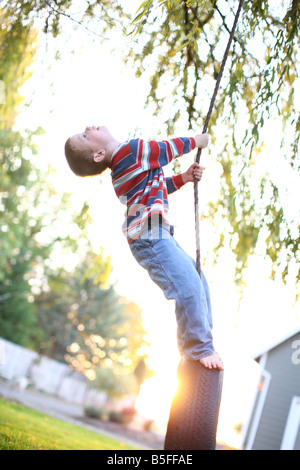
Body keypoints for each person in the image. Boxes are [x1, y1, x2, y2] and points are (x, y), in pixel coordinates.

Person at [64, 125, 224, 370]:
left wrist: (183, 178)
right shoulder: (132, 150)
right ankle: (199, 348)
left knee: (198, 281)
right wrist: (196, 141)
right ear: (97, 155)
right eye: (85, 136)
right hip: (150, 235)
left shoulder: (121, 171)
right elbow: (166, 149)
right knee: (189, 287)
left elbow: (157, 184)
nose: (87, 128)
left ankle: (195, 349)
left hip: (154, 235)